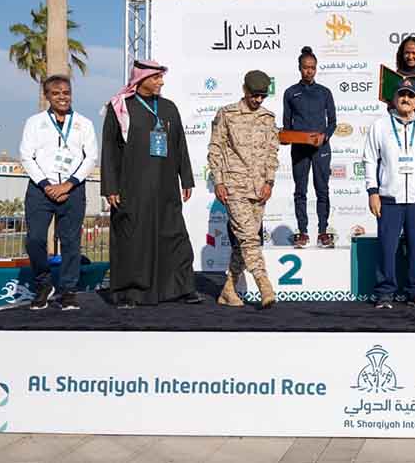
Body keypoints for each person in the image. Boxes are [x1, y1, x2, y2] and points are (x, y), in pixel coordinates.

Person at [101, 60, 201, 308]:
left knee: (174, 236)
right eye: (156, 78)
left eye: (161, 77)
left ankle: (181, 288)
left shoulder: (168, 108)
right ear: (141, 79)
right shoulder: (120, 107)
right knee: (134, 238)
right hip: (132, 187)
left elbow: (179, 144)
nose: (161, 82)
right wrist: (110, 187)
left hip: (166, 186)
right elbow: (109, 150)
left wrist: (186, 177)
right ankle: (130, 292)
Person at [18, 75, 97, 310]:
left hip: (73, 190)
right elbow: (26, 156)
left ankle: (68, 290)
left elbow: (91, 157)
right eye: (56, 93)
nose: (62, 97)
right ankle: (43, 283)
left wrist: (69, 184)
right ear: (47, 96)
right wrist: (46, 185)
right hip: (40, 190)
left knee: (71, 242)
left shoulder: (84, 123)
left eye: (66, 92)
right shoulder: (35, 122)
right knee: (35, 239)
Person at [363, 78, 415, 309]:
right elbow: (369, 160)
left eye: (410, 95)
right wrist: (372, 191)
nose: (405, 99)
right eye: (402, 94)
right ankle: (384, 293)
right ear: (394, 98)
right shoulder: (380, 126)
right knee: (387, 247)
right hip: (389, 196)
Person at [208, 70, 279, 309]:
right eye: (254, 95)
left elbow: (272, 152)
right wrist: (219, 181)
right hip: (234, 186)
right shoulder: (227, 114)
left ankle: (228, 290)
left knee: (241, 243)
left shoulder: (268, 118)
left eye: (262, 96)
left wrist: (269, 182)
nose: (258, 100)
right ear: (244, 90)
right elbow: (215, 149)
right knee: (249, 238)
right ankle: (264, 285)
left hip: (259, 189)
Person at [282, 46, 337, 248]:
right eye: (306, 67)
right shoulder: (290, 92)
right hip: (299, 149)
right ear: (299, 68)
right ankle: (303, 232)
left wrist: (325, 136)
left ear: (316, 68)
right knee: (300, 191)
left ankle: (323, 231)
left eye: (312, 67)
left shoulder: (324, 92)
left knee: (322, 190)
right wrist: (286, 137)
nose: (309, 71)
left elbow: (333, 122)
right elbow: (287, 124)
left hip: (321, 149)